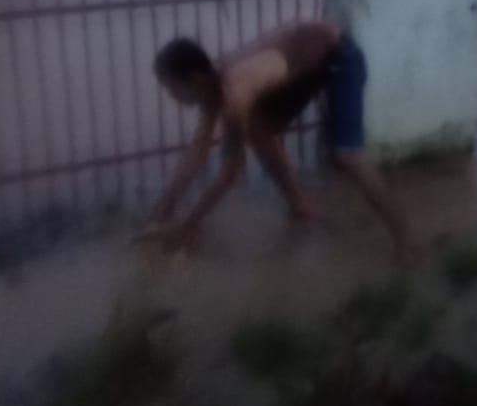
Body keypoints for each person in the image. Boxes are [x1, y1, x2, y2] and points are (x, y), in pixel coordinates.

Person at [141, 21, 414, 259]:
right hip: (309, 61)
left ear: (194, 79)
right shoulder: (213, 86)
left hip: (340, 55)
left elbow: (230, 172)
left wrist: (189, 224)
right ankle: (299, 205)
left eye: (171, 88)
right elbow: (196, 153)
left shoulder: (234, 95)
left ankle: (407, 243)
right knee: (259, 128)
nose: (171, 96)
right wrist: (161, 211)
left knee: (347, 154)